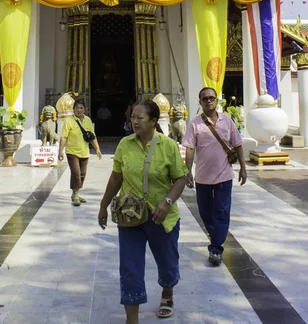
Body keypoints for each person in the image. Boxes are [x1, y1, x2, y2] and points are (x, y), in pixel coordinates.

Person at [98, 99, 188, 323]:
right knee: (130, 267)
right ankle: (132, 318)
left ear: (154, 121)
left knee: (167, 263)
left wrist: (166, 202)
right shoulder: (125, 145)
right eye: (133, 117)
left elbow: (180, 179)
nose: (134, 121)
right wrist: (103, 205)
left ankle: (167, 293)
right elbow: (116, 176)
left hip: (161, 217)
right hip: (131, 215)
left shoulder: (168, 146)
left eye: (140, 118)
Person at [183, 87, 247, 266]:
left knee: (221, 212)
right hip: (203, 177)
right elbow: (189, 148)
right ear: (200, 102)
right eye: (205, 99)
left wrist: (243, 167)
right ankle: (217, 235)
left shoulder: (227, 121)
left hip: (224, 176)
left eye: (212, 98)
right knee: (205, 213)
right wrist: (187, 170)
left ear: (217, 101)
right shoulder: (195, 124)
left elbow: (238, 144)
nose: (209, 101)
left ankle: (216, 249)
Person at [59, 99, 102, 206]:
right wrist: (60, 151)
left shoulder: (87, 120)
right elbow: (64, 137)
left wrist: (97, 149)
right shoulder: (68, 120)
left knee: (82, 174)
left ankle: (76, 192)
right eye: (77, 108)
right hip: (71, 151)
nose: (79, 110)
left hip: (84, 151)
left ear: (85, 109)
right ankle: (75, 194)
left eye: (81, 108)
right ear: (73, 109)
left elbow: (92, 136)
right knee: (76, 173)